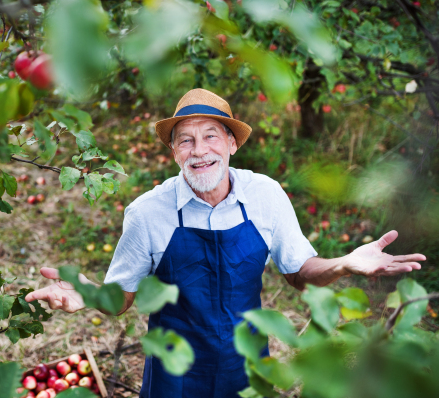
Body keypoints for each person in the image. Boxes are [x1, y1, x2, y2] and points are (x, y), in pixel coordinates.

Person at [25, 88, 426, 397]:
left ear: (232, 143)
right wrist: (86, 293)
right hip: (174, 375)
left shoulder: (265, 195)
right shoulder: (148, 213)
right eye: (185, 140)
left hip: (246, 366)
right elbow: (121, 298)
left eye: (211, 136)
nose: (199, 151)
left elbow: (300, 272)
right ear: (173, 152)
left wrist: (344, 263)